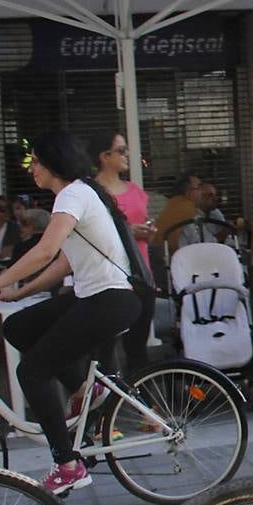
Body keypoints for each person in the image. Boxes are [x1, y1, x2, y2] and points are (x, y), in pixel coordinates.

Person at [0, 131, 142, 495]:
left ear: (52, 164)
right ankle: (82, 387)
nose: (31, 170)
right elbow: (64, 261)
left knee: (32, 371)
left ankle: (68, 464)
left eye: (36, 163)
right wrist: (18, 291)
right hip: (94, 296)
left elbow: (45, 251)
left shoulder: (73, 194)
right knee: (20, 327)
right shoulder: (76, 194)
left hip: (109, 300)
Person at [91, 130, 156, 371]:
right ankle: (103, 401)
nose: (126, 155)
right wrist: (129, 231)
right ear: (104, 157)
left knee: (137, 346)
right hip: (109, 277)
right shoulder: (92, 192)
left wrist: (148, 230)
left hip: (141, 273)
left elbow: (145, 220)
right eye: (121, 150)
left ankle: (144, 404)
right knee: (104, 347)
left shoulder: (134, 189)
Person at [153, 173, 202, 251]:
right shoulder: (189, 212)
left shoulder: (173, 205)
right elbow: (205, 242)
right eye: (199, 188)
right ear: (189, 192)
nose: (202, 192)